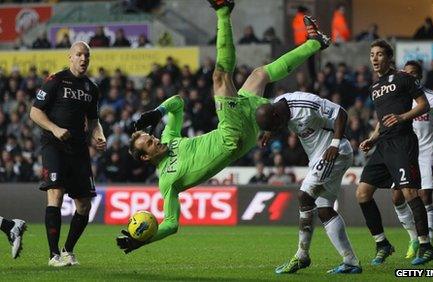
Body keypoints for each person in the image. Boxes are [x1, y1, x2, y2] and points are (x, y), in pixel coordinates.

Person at [115, 0, 330, 254]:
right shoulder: (167, 182)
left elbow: (178, 103)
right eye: (149, 144)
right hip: (231, 136)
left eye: (150, 137)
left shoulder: (168, 137)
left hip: (239, 132)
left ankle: (316, 42)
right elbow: (171, 224)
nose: (154, 140)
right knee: (220, 77)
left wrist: (156, 112)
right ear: (145, 157)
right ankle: (223, 11)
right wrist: (144, 240)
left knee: (259, 75)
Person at [256, 91, 362, 274]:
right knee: (324, 209)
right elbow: (273, 119)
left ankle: (302, 255)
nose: (278, 129)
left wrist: (334, 144)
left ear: (276, 115)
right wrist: (269, 130)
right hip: (317, 158)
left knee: (304, 196)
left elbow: (341, 113)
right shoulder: (276, 109)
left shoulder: (305, 103)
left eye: (275, 125)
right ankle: (351, 261)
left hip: (334, 153)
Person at [356, 39, 433, 266]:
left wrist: (402, 117)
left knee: (410, 193)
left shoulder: (404, 78)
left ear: (389, 57)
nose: (374, 58)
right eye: (372, 54)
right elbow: (382, 120)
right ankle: (382, 243)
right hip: (383, 145)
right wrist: (372, 138)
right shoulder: (374, 87)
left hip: (403, 142)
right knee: (362, 194)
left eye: (380, 54)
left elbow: (423, 105)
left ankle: (426, 246)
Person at [29, 41, 107, 267]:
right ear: (70, 57)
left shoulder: (92, 88)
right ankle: (53, 255)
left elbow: (93, 121)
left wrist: (99, 135)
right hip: (54, 145)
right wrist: (54, 128)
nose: (83, 59)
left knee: (84, 205)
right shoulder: (56, 80)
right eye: (79, 55)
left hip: (79, 149)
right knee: (56, 193)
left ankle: (67, 250)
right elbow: (35, 112)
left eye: (87, 56)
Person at [391, 60, 433, 259]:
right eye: (407, 73)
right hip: (405, 151)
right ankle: (413, 238)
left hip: (426, 152)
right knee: (397, 197)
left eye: (415, 73)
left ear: (420, 76)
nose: (411, 76)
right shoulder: (399, 98)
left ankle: (429, 246)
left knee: (425, 196)